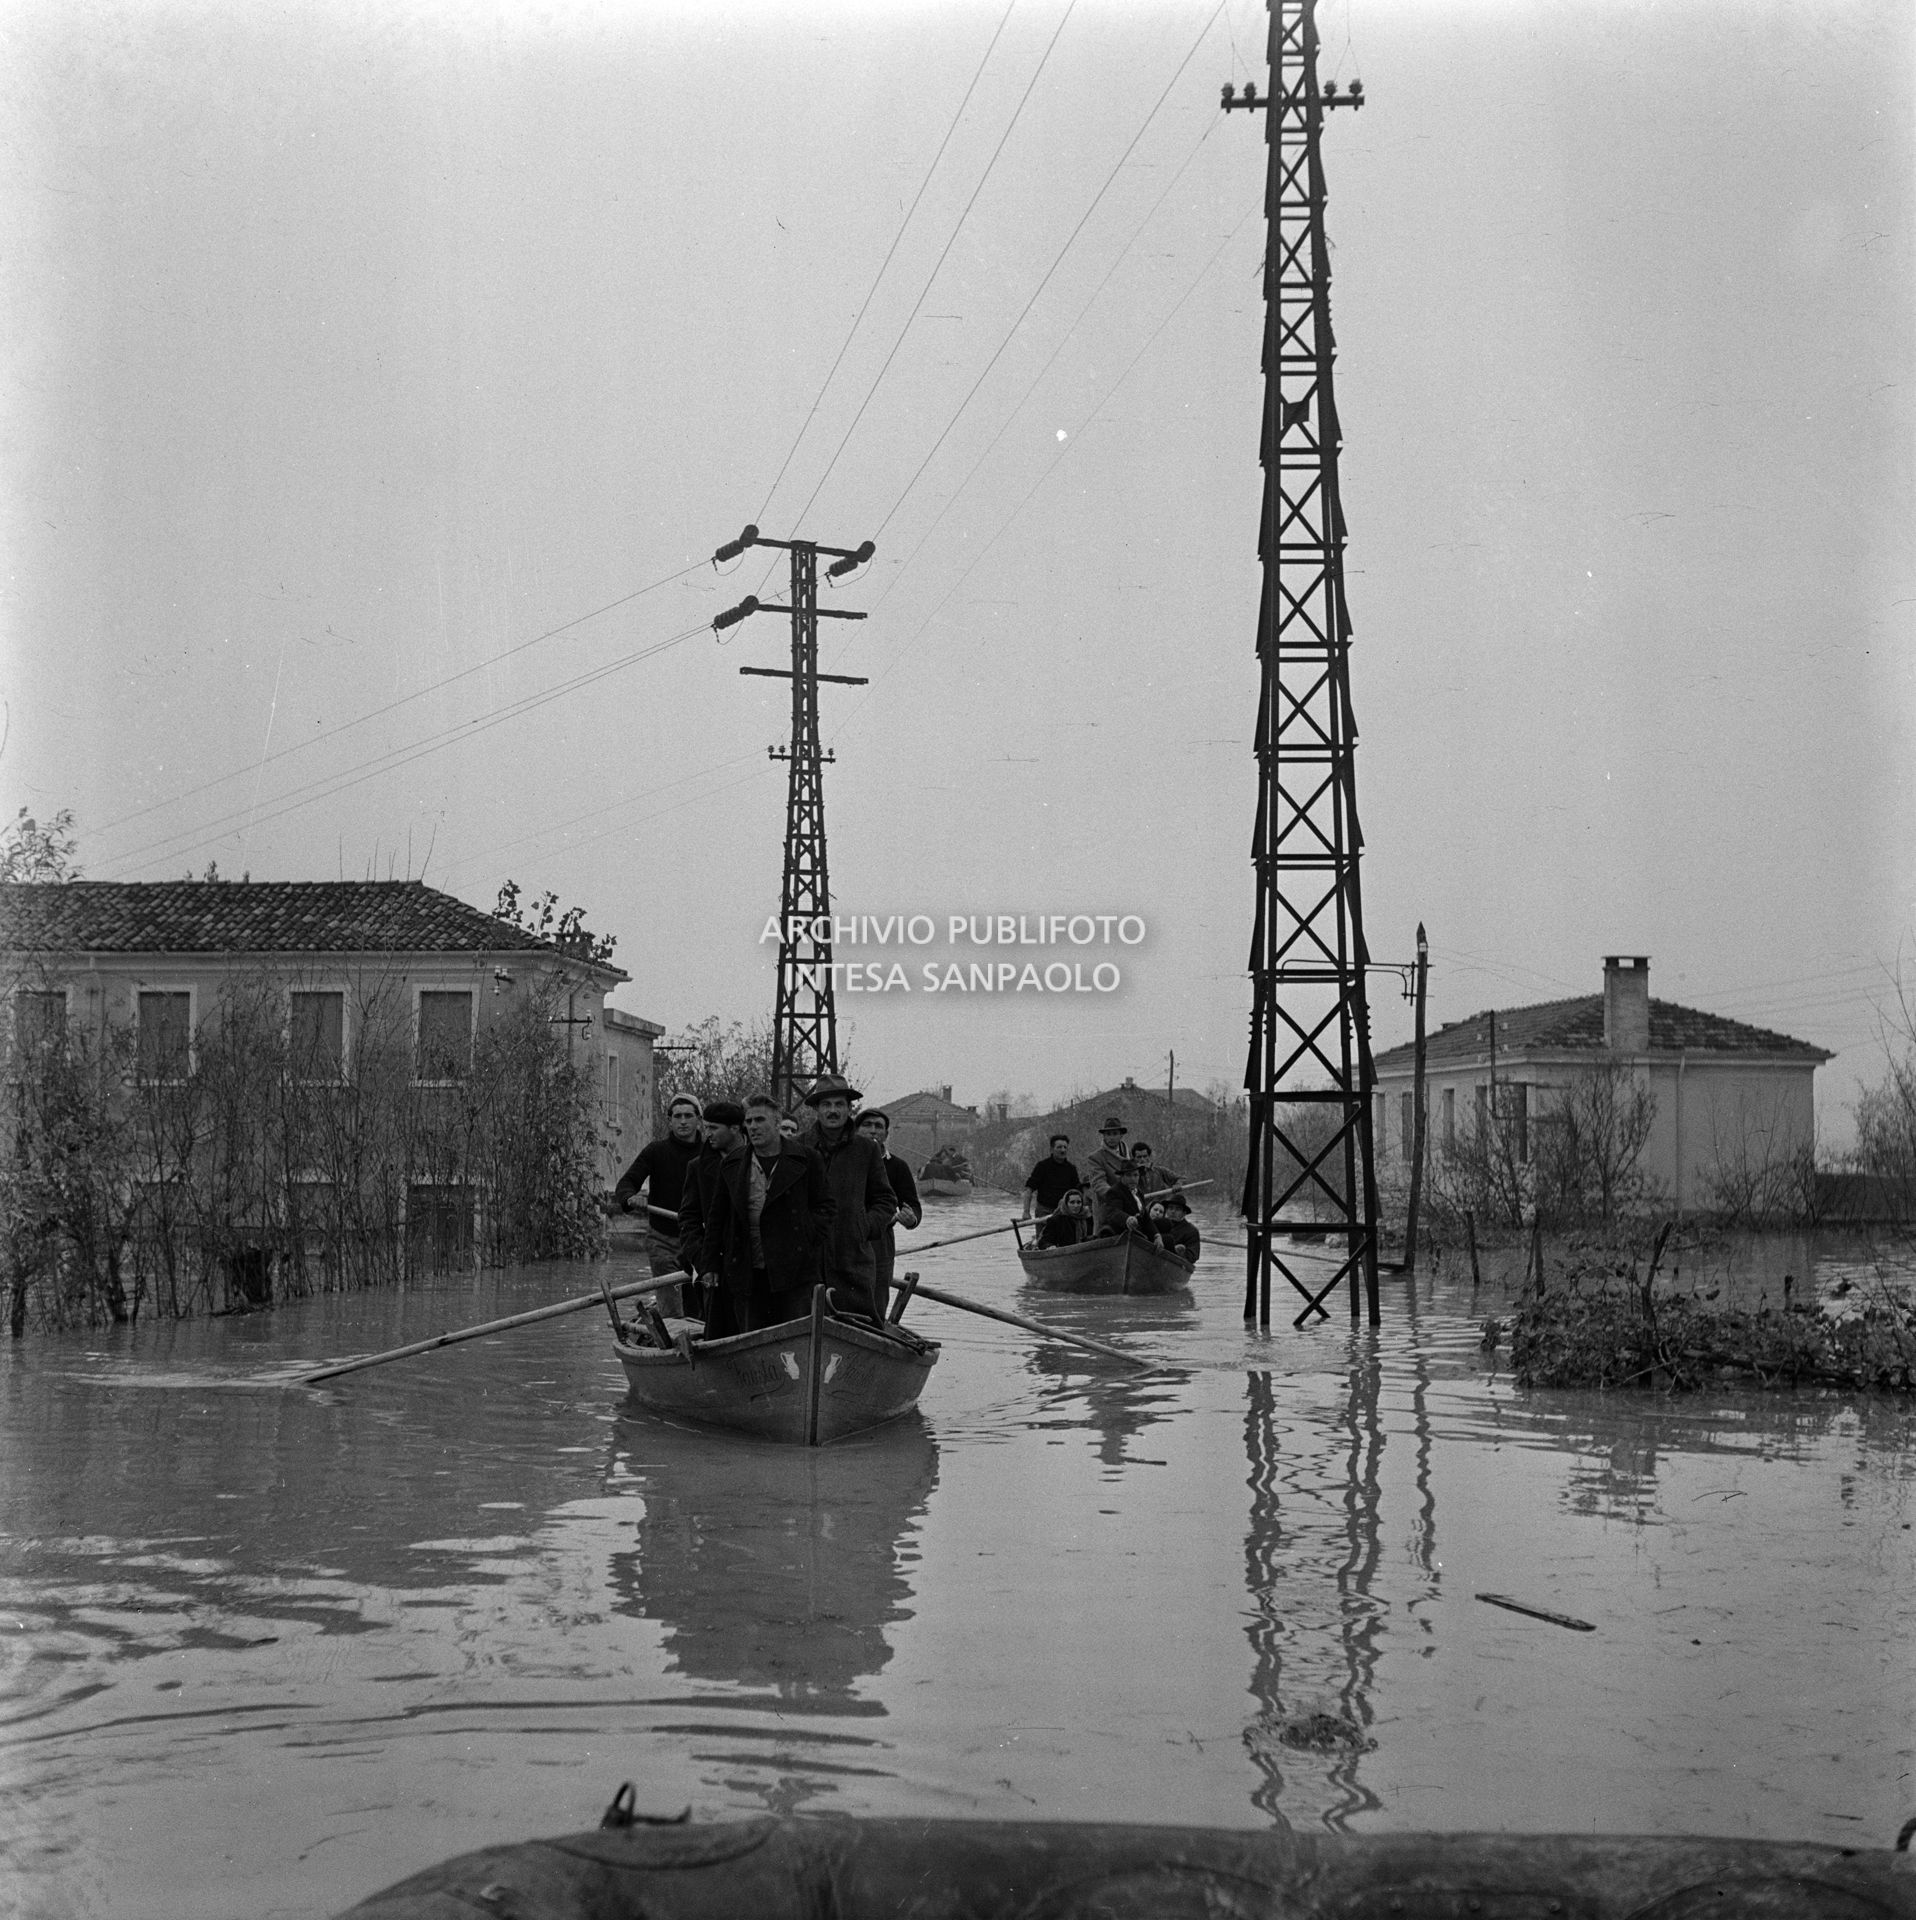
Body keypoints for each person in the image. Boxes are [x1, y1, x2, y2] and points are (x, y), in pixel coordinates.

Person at [704, 1093, 836, 1332]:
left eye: (760, 1120)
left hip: (794, 1270)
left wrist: (807, 1237)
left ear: (777, 1123)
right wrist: (711, 1264)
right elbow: (717, 1218)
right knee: (751, 1338)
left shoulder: (807, 1159)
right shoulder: (732, 1164)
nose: (753, 1127)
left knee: (795, 1335)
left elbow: (825, 1208)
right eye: (749, 1121)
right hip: (747, 1267)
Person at [804, 1073, 897, 1321]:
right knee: (804, 1327)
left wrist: (863, 1227)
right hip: (807, 1263)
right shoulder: (798, 1147)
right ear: (816, 1109)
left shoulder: (866, 1149)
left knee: (860, 1328)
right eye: (826, 1105)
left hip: (852, 1262)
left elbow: (886, 1201)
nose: (833, 1111)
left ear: (849, 1108)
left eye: (839, 1104)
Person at [612, 1095, 704, 1314]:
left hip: (700, 1238)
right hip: (663, 1238)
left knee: (699, 1299)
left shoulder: (710, 1153)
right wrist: (631, 1198)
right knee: (669, 1296)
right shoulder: (656, 1151)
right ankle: (673, 1329)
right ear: (670, 1121)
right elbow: (627, 1183)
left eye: (688, 1116)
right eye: (677, 1116)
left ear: (699, 1120)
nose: (683, 1121)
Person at [677, 1100, 745, 1333]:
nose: (707, 1134)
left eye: (713, 1128)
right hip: (717, 1267)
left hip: (753, 1265)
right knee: (718, 1328)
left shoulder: (758, 1162)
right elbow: (688, 1220)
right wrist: (704, 1263)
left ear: (735, 1129)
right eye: (706, 1127)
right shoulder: (698, 1167)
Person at [857, 1108, 921, 1308]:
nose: (873, 1131)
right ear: (855, 1131)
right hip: (845, 1236)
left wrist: (911, 1219)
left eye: (878, 1127)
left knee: (877, 1295)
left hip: (880, 1239)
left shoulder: (898, 1167)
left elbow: (913, 1205)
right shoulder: (844, 1161)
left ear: (886, 1134)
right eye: (867, 1125)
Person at [1084, 1115, 1134, 1234]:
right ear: (1104, 1136)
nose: (1111, 1137)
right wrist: (1117, 1195)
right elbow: (1098, 1183)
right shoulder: (1096, 1157)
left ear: (1121, 1135)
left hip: (1131, 1208)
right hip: (1108, 1208)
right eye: (1108, 1134)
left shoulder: (1129, 1156)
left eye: (1115, 1133)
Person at [1022, 1134, 1081, 1220]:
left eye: (1065, 1147)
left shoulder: (1071, 1169)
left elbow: (1077, 1191)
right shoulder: (1042, 1166)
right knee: (1045, 1233)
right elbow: (1029, 1189)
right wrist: (1026, 1212)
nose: (1063, 1150)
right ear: (1051, 1149)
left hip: (1065, 1211)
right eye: (1059, 1147)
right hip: (1044, 1211)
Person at [1152, 1191, 1201, 1263]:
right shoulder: (1157, 1223)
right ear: (1166, 1210)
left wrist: (1178, 1252)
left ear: (1184, 1213)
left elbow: (1192, 1256)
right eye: (1170, 1208)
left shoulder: (1192, 1231)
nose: (1173, 1211)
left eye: (1177, 1209)